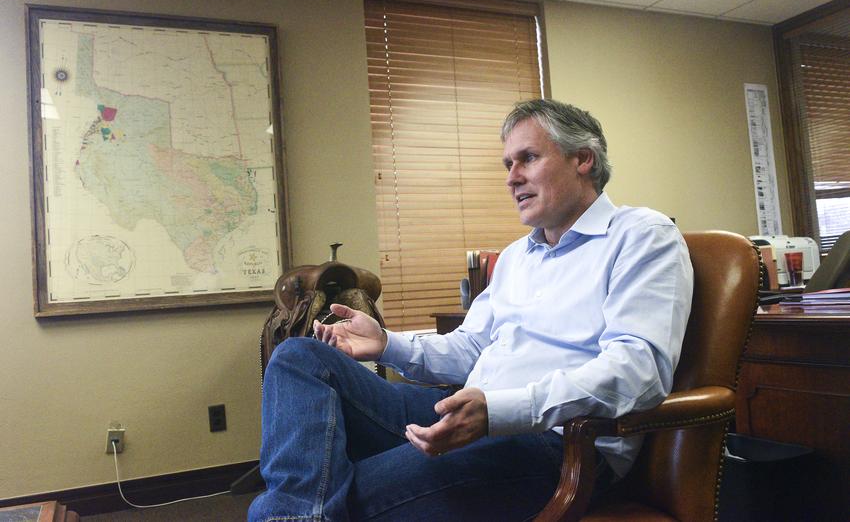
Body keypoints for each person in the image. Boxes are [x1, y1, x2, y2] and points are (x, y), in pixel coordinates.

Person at [248, 99, 694, 522]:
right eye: (508, 165)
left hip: (557, 444)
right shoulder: (519, 255)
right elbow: (472, 347)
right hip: (468, 415)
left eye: (528, 159)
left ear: (583, 159)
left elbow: (639, 370)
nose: (511, 177)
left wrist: (501, 411)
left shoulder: (641, 235)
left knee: (333, 493)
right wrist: (386, 345)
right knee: (299, 358)